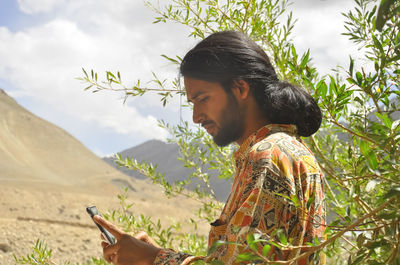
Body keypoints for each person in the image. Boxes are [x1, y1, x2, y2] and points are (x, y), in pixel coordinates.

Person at [94, 31, 326, 265]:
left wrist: (155, 258)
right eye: (192, 104)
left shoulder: (268, 156)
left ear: (240, 89)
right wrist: (154, 256)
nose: (196, 117)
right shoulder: (288, 149)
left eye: (203, 98)